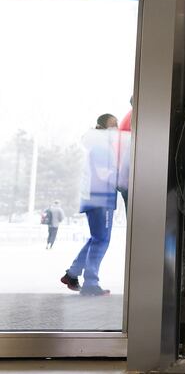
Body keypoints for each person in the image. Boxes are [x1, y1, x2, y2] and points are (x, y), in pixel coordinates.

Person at [60, 113, 119, 296]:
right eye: (113, 124)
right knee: (101, 241)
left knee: (96, 239)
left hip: (94, 199)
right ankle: (91, 283)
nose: (117, 128)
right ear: (103, 127)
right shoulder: (101, 147)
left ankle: (72, 274)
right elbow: (104, 175)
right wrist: (125, 177)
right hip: (101, 199)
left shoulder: (97, 146)